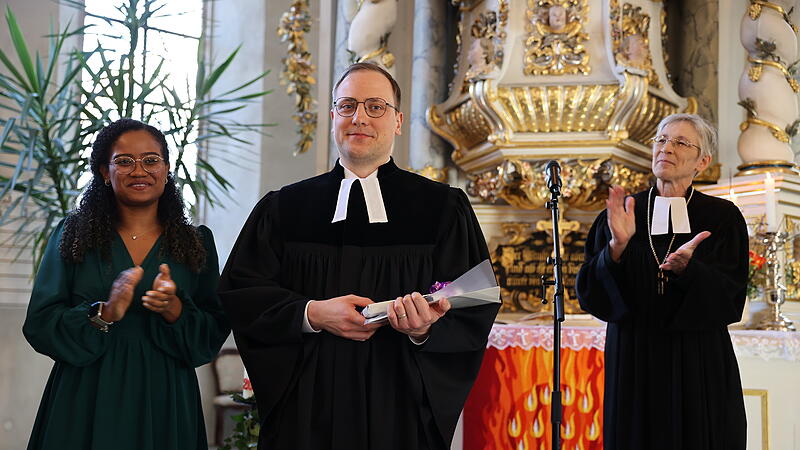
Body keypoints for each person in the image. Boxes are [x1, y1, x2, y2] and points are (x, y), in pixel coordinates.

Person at [219, 62, 499, 450]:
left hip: (399, 408)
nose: (359, 118)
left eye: (375, 106)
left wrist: (423, 329)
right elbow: (241, 292)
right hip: (305, 411)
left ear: (398, 121)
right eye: (347, 105)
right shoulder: (284, 208)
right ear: (333, 116)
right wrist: (311, 313)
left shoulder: (442, 209)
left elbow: (472, 300)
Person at [23, 119, 230, 450]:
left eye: (151, 160)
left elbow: (211, 333)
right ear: (105, 171)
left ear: (165, 169)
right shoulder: (73, 235)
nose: (140, 170)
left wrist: (175, 309)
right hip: (86, 394)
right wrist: (103, 312)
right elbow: (40, 324)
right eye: (124, 161)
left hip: (165, 396)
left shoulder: (196, 242)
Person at [576, 113, 747, 450]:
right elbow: (590, 294)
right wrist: (616, 248)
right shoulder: (623, 212)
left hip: (698, 358)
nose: (666, 148)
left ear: (703, 161)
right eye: (661, 140)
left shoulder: (722, 217)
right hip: (634, 357)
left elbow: (732, 296)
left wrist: (690, 272)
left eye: (680, 142)